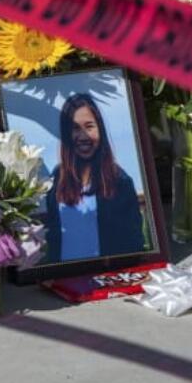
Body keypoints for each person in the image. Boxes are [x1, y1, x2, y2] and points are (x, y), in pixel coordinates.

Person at [43, 93, 145, 260]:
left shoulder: (120, 181)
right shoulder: (56, 178)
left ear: (100, 130)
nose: (83, 136)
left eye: (89, 126)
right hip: (63, 278)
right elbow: (53, 238)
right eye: (75, 128)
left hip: (103, 278)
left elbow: (134, 243)